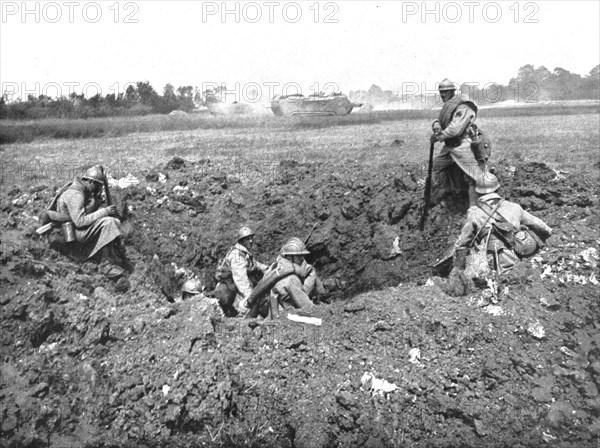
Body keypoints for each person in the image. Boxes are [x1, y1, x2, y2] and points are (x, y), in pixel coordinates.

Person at [454, 173, 552, 277]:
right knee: (513, 281)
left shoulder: (474, 212)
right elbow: (537, 223)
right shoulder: (514, 207)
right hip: (513, 254)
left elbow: (463, 242)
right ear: (497, 189)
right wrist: (550, 232)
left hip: (487, 262)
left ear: (478, 192)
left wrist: (458, 266)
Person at [42, 165, 131, 279]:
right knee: (109, 222)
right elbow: (80, 221)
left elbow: (81, 214)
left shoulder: (78, 190)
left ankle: (113, 256)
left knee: (113, 221)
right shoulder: (76, 195)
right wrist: (104, 212)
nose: (98, 189)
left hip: (75, 229)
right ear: (89, 181)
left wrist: (95, 205)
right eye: (97, 185)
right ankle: (106, 266)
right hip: (73, 233)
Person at [431, 78, 487, 207]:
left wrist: (440, 136)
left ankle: (474, 207)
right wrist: (436, 123)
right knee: (438, 166)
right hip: (450, 146)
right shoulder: (449, 105)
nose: (442, 95)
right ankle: (450, 192)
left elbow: (455, 129)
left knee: (473, 177)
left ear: (451, 92)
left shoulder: (463, 106)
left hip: (463, 144)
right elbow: (444, 119)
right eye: (441, 92)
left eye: (445, 92)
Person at [213, 226, 268, 316]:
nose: (250, 241)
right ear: (241, 241)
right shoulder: (237, 256)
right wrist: (251, 297)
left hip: (234, 289)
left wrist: (266, 268)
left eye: (251, 238)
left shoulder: (243, 253)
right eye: (247, 239)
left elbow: (254, 264)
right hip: (229, 293)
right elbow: (241, 280)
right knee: (246, 313)